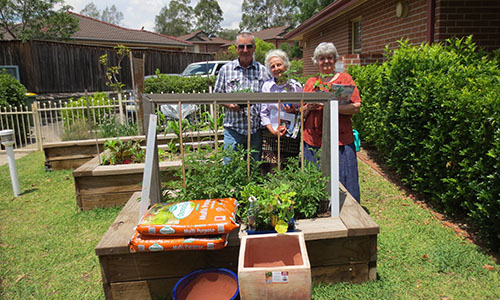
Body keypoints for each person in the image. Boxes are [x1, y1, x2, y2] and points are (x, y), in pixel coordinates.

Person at [303, 42, 362, 202]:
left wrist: (330, 106)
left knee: (345, 178)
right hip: (314, 139)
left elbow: (356, 106)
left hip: (340, 140)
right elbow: (301, 112)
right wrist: (309, 106)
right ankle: (319, 209)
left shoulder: (345, 79)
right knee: (315, 180)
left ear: (335, 59)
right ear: (316, 61)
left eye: (329, 57)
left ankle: (349, 211)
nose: (326, 61)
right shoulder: (311, 83)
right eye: (322, 58)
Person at [214, 32, 272, 162]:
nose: (245, 50)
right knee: (229, 165)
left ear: (254, 48)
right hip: (233, 128)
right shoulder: (226, 70)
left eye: (249, 46)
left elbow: (269, 99)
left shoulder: (263, 71)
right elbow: (217, 95)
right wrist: (229, 105)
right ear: (236, 48)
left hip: (255, 129)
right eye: (241, 47)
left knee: (253, 166)